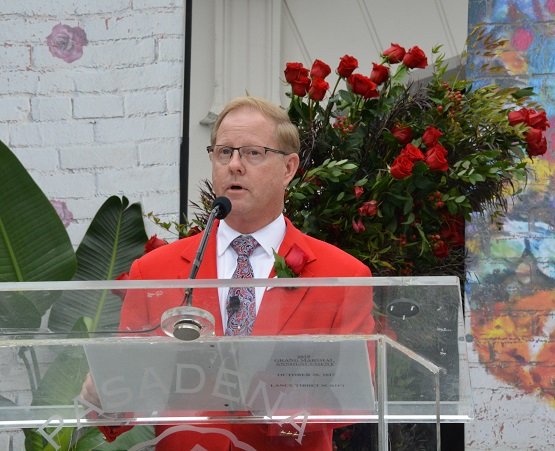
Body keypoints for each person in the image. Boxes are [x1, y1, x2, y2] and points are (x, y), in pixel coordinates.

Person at [81, 96, 374, 450]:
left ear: (288, 167)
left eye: (252, 152)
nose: (234, 165)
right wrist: (104, 399)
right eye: (224, 152)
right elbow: (126, 391)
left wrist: (266, 397)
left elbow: (355, 395)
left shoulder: (343, 276)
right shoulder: (152, 272)